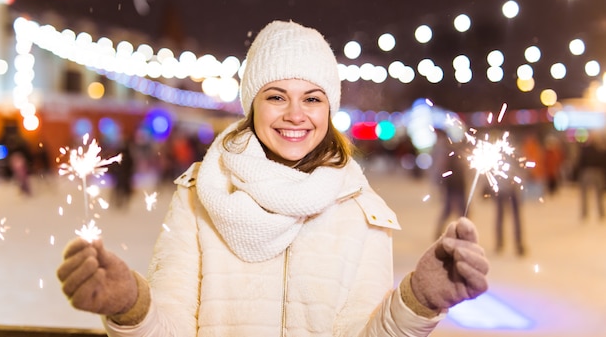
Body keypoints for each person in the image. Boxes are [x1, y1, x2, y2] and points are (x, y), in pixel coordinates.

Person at [56, 20, 489, 337]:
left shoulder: (360, 209)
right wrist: (132, 308)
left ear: (328, 108)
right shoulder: (198, 197)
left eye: (312, 99)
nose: (296, 114)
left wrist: (416, 303)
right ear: (252, 105)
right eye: (277, 96)